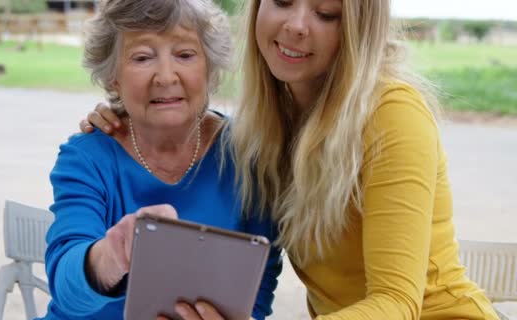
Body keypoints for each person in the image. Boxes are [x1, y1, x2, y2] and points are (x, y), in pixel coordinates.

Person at [81, 0, 501, 319]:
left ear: (357, 29)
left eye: (325, 12)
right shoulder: (272, 121)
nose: (297, 26)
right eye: (282, 0)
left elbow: (396, 302)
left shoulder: (392, 113)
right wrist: (130, 114)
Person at [40, 1, 282, 319]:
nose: (166, 77)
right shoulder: (87, 157)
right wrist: (112, 256)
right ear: (113, 77)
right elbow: (67, 287)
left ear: (210, 68)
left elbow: (257, 291)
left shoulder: (250, 154)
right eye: (142, 57)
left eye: (184, 55)